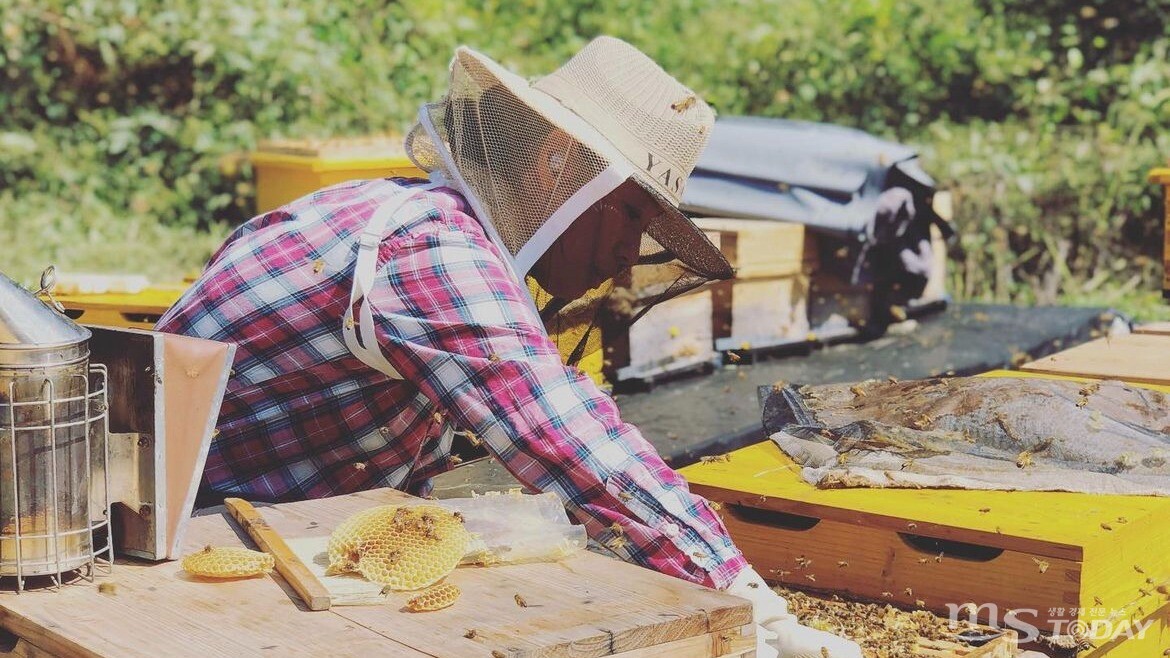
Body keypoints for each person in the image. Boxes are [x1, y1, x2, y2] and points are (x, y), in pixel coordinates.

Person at [158, 36, 861, 658]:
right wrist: (749, 602)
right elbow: (567, 441)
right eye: (630, 218)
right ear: (558, 167)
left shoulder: (400, 211)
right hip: (184, 555)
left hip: (247, 526)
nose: (625, 257)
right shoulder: (429, 250)